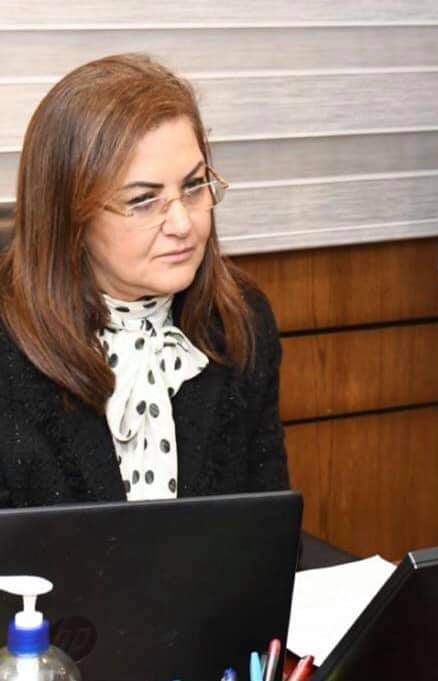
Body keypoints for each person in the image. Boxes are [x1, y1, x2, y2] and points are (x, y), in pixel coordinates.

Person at [0, 53, 289, 508]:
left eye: (193, 187)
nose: (183, 224)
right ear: (70, 216)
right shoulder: (8, 350)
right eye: (143, 200)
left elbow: (268, 528)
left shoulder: (241, 322)